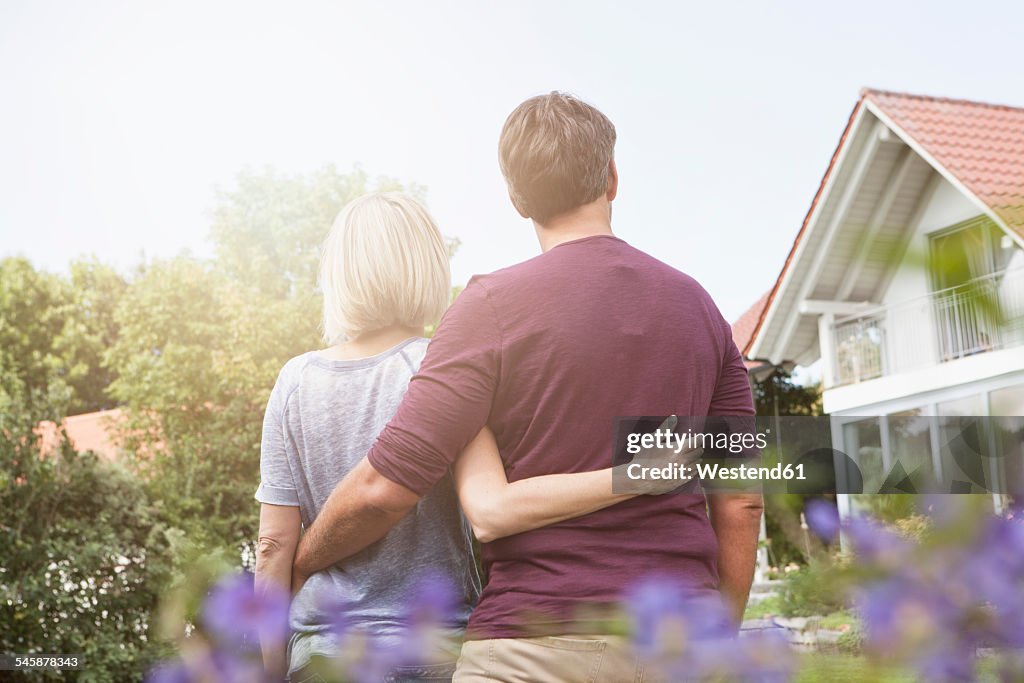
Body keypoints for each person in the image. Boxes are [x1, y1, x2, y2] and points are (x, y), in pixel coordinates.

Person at [290, 92, 764, 682]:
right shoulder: (700, 309)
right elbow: (740, 499)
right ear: (612, 177)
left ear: (516, 198)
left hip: (532, 646)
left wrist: (300, 559)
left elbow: (385, 489)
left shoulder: (487, 309)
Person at [254, 192, 687, 683]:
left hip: (322, 657)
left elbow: (272, 546)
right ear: (426, 267)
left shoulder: (294, 381)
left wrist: (270, 670)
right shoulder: (442, 368)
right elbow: (493, 505)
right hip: (433, 651)